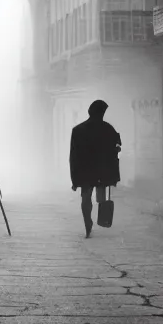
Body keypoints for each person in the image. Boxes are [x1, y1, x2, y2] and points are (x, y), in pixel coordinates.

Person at [69, 100, 121, 238]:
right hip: (101, 171)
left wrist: (74, 178)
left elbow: (73, 156)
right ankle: (99, 217)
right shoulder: (108, 129)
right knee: (101, 196)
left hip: (84, 171)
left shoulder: (78, 130)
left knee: (86, 197)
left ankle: (88, 222)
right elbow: (115, 149)